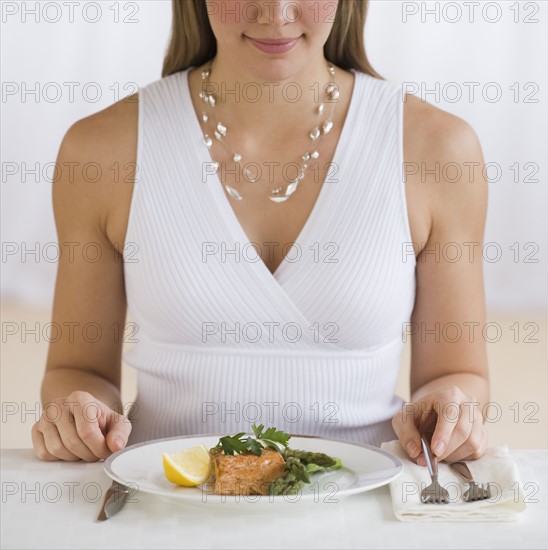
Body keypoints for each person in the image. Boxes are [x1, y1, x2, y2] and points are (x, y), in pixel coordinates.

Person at [32, 0, 490, 466]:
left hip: (364, 507)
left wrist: (451, 410)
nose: (276, 13)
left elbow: (457, 372)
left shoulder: (439, 149)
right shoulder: (101, 150)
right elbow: (78, 368)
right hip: (165, 506)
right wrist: (80, 411)